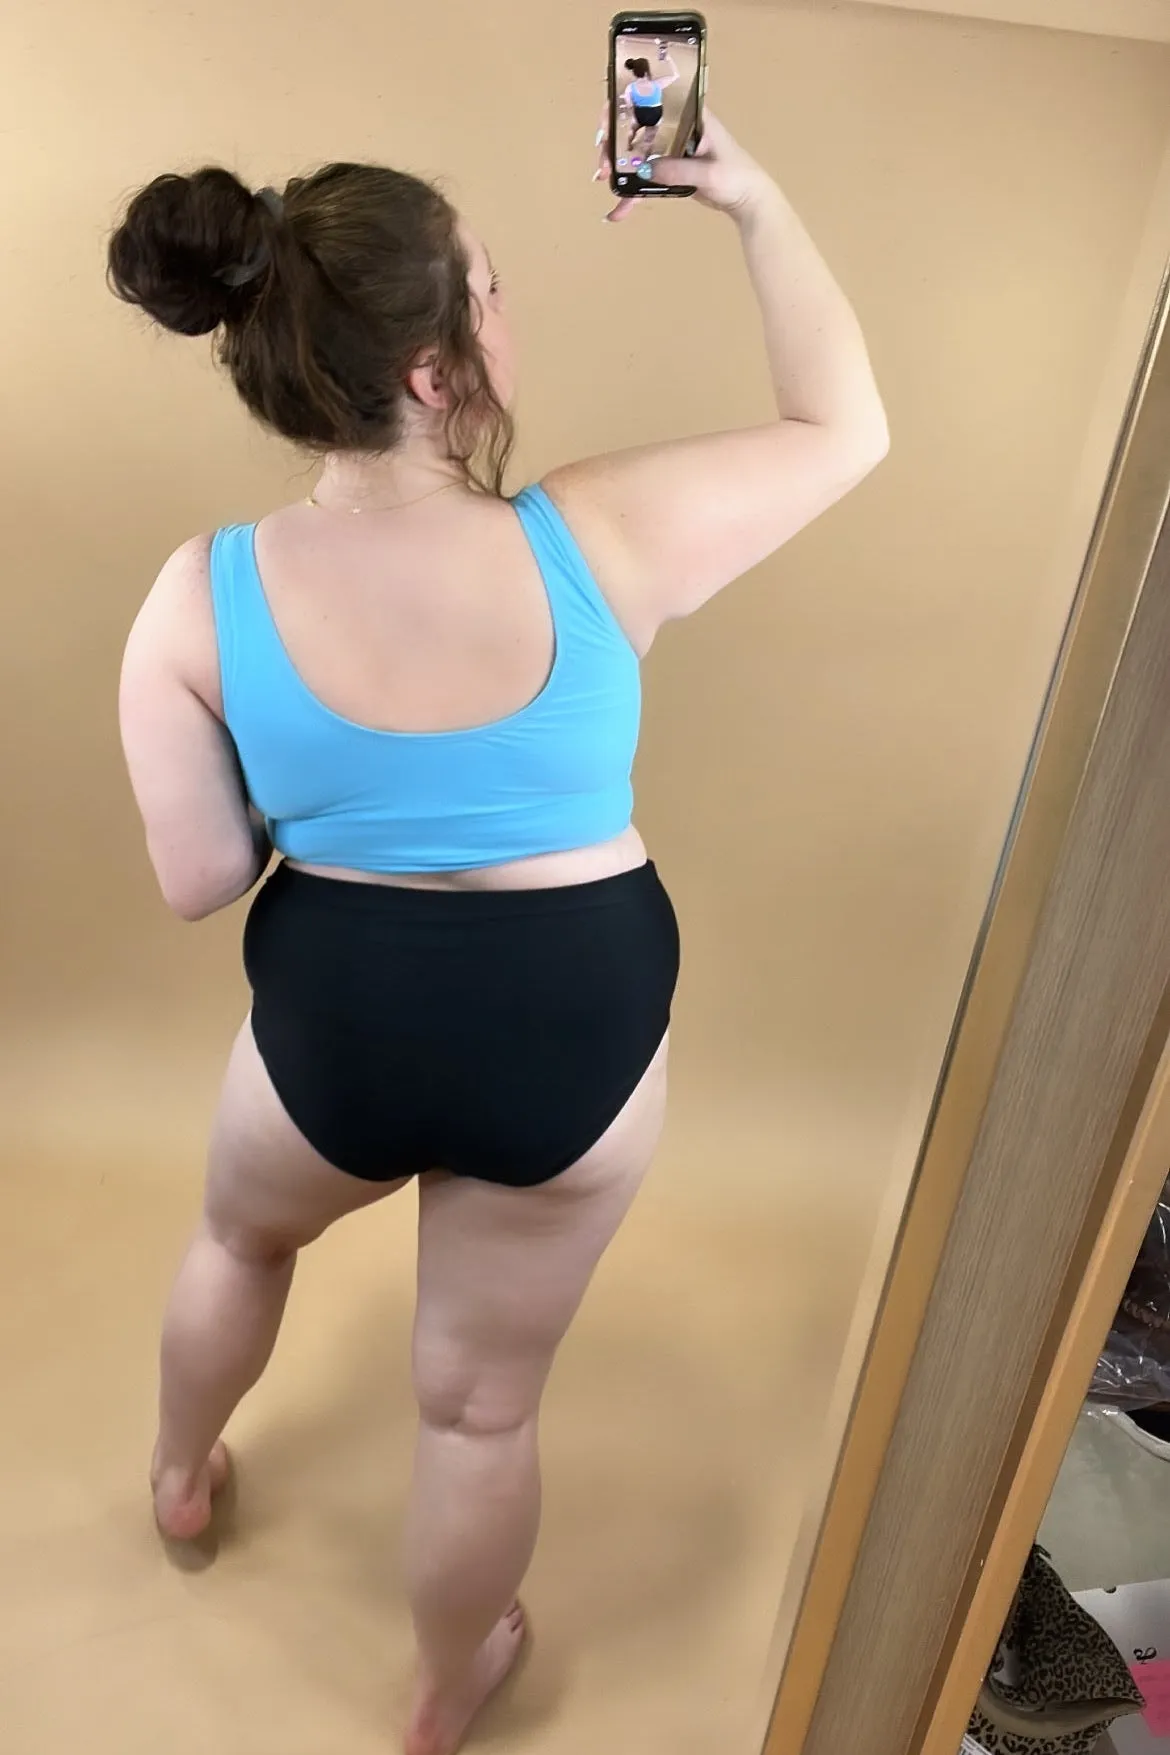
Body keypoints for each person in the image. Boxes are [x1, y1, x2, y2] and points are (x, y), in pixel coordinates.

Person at [107, 114, 887, 1755]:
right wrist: (750, 197)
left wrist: (327, 774)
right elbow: (844, 426)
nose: (505, 308)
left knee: (240, 1242)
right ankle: (447, 1683)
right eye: (491, 287)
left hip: (338, 1019)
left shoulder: (198, 592)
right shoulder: (599, 531)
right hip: (567, 1031)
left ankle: (178, 1479)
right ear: (437, 369)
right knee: (477, 1408)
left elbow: (197, 877)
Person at [622, 50, 679, 157]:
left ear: (634, 72)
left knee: (632, 130)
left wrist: (636, 116)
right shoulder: (658, 84)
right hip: (655, 116)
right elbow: (676, 75)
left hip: (639, 114)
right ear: (647, 71)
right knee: (648, 140)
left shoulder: (630, 88)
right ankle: (646, 157)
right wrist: (669, 59)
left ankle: (629, 146)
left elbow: (629, 105)